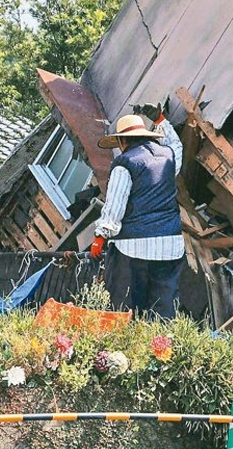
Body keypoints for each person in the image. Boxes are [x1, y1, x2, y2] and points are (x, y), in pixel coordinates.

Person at [92, 102, 184, 319]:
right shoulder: (168, 157)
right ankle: (162, 340)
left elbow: (115, 206)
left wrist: (100, 236)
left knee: (125, 308)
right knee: (164, 309)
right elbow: (176, 145)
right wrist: (161, 120)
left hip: (132, 248)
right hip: (171, 244)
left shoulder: (125, 163)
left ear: (122, 141)